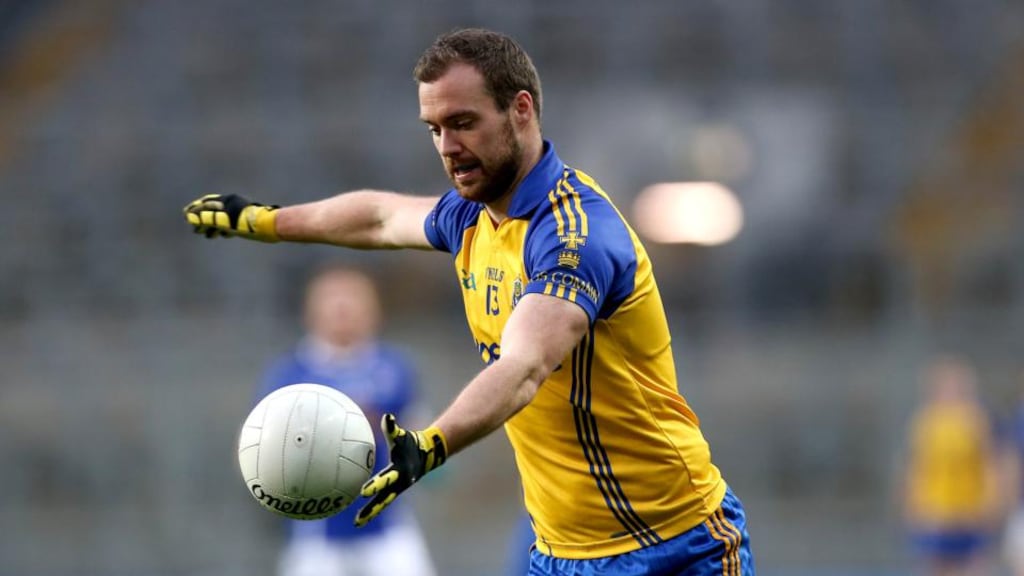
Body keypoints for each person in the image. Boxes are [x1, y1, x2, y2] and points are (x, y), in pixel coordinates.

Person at [185, 27, 754, 575]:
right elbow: (380, 217)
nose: (447, 148)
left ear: (521, 110)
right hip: (559, 554)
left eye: (462, 123)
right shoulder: (471, 217)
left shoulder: (574, 235)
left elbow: (524, 367)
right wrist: (266, 221)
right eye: (433, 129)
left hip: (676, 545)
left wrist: (432, 445)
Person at [256, 265, 437, 576]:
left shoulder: (395, 368)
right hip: (317, 532)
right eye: (332, 300)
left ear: (374, 310)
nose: (343, 309)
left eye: (353, 299)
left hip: (387, 526)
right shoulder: (289, 375)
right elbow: (255, 452)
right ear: (310, 311)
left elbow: (424, 441)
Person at [901, 355, 1001, 576]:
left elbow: (988, 464)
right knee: (937, 567)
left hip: (969, 510)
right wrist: (914, 504)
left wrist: (989, 502)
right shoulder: (927, 421)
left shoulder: (976, 420)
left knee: (973, 566)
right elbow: (917, 467)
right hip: (937, 510)